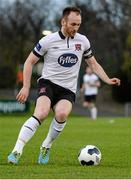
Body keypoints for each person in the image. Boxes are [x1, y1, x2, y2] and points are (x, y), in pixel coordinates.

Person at [7, 6, 120, 165]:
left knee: (61, 115)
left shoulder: (83, 41)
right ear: (63, 22)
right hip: (48, 83)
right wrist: (25, 86)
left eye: (78, 24)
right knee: (41, 113)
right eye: (73, 24)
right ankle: (17, 151)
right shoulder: (48, 40)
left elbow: (93, 64)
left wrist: (107, 79)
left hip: (67, 89)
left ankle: (46, 146)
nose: (76, 28)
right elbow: (29, 62)